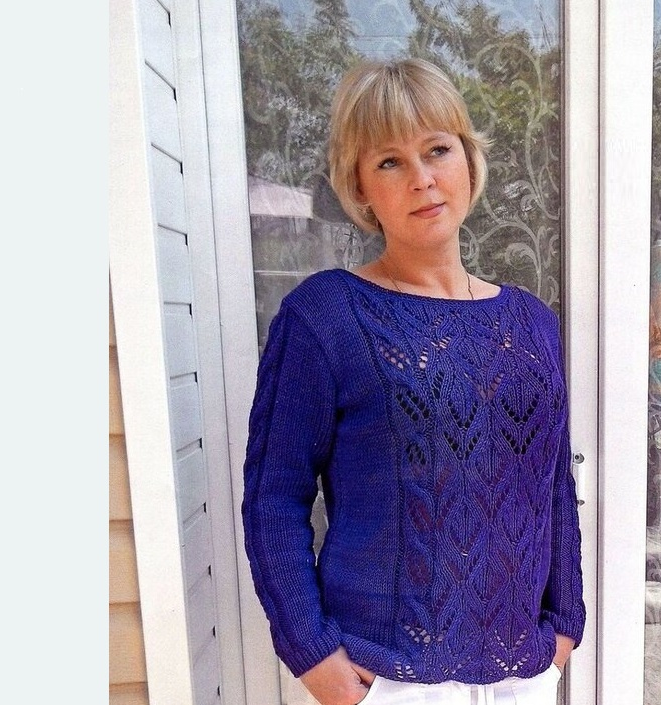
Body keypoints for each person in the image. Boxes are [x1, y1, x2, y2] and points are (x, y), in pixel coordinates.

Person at [241, 57, 585, 705]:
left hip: (524, 671)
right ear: (361, 188)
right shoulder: (325, 316)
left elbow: (551, 486)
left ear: (468, 159)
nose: (422, 179)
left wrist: (564, 621)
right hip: (389, 678)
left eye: (437, 150)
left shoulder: (531, 322)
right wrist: (312, 653)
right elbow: (274, 496)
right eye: (390, 162)